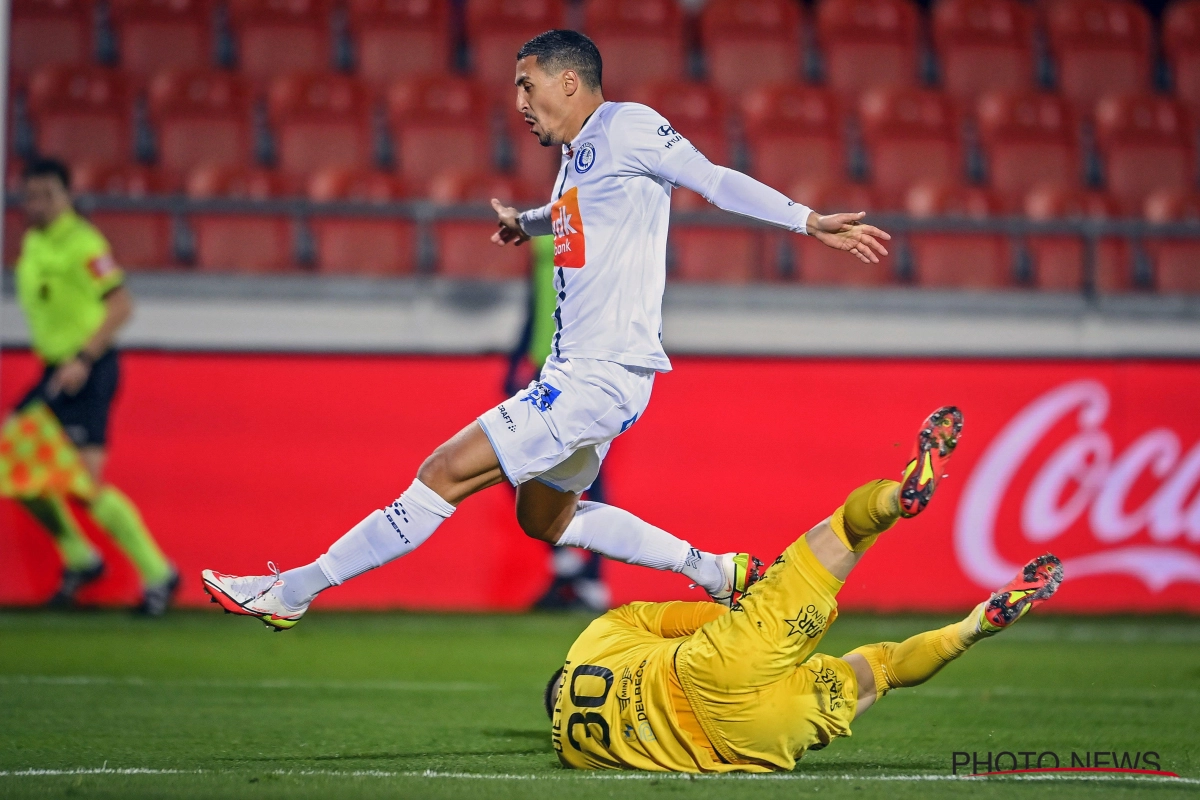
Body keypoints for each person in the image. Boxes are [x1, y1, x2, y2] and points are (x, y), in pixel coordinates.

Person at [201, 30, 891, 628]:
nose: (521, 104)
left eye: (527, 87)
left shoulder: (628, 126)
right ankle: (714, 572)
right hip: (590, 375)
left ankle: (294, 589)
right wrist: (524, 223)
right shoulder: (581, 157)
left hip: (598, 373)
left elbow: (712, 179)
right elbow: (575, 210)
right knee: (546, 520)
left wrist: (807, 220)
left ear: (569, 81)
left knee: (441, 472)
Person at [544, 406, 1065, 772]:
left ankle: (973, 628)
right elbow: (689, 622)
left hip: (754, 741)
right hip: (707, 671)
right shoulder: (597, 640)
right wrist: (748, 600)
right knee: (846, 529)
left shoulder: (572, 750)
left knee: (879, 671)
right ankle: (895, 499)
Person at [5, 158, 177, 614]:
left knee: (84, 483)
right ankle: (80, 558)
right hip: (53, 372)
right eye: (32, 195)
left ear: (66, 196)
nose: (38, 204)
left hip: (89, 368)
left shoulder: (84, 243)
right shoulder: (34, 244)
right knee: (15, 465)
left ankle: (158, 573)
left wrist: (83, 357)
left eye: (47, 195)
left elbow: (121, 305)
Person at [507, 236, 610, 611]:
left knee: (588, 471)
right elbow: (539, 299)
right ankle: (567, 567)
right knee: (519, 464)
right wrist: (517, 357)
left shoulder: (600, 224)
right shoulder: (547, 227)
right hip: (542, 365)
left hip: (579, 366)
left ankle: (592, 580)